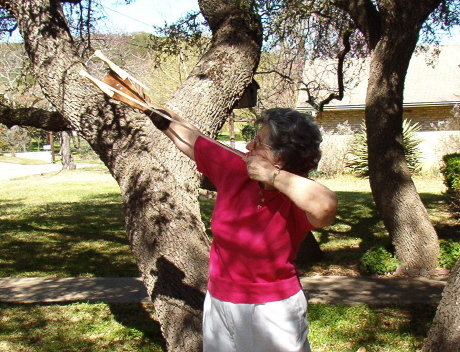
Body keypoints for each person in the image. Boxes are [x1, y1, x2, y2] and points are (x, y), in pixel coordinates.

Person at [146, 106, 338, 352]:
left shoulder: (297, 195)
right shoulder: (236, 169)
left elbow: (326, 206)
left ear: (282, 157)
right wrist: (160, 116)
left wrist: (273, 177)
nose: (248, 146)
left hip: (272, 308)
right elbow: (196, 141)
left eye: (258, 143)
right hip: (219, 299)